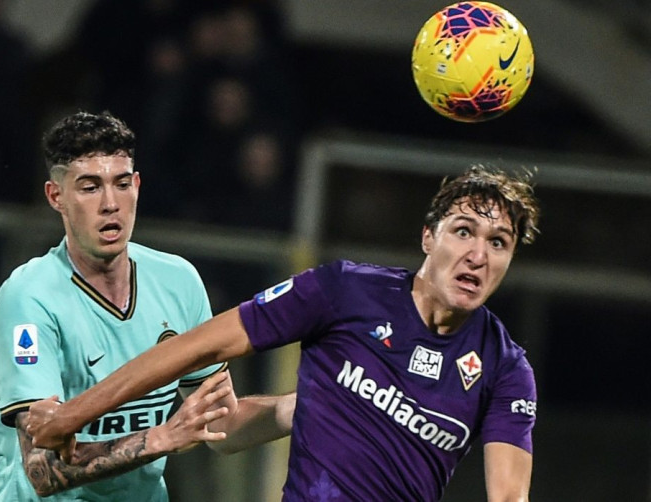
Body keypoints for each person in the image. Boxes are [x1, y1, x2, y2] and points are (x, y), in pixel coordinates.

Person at [28, 164, 541, 501]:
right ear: (428, 237)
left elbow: (510, 497)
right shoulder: (344, 291)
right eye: (464, 231)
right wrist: (76, 413)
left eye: (499, 242)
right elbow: (196, 347)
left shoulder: (505, 367)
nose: (478, 254)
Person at [0, 110, 295, 501]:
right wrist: (161, 437)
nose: (110, 203)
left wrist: (302, 407)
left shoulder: (178, 281)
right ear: (56, 196)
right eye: (90, 187)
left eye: (121, 183)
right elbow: (42, 471)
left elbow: (222, 424)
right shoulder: (29, 296)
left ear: (138, 186)